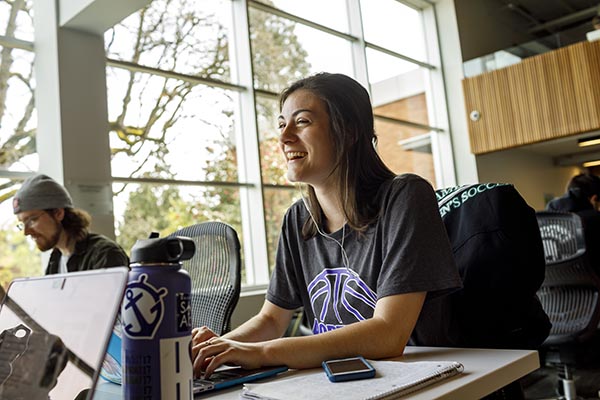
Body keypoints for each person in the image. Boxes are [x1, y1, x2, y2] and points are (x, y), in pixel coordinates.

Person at [191, 72, 461, 377]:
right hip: (333, 382)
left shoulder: (405, 197)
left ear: (348, 131)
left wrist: (261, 353)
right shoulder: (297, 219)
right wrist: (214, 350)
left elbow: (389, 334)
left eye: (302, 121)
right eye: (281, 124)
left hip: (412, 381)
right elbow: (271, 320)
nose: (283, 137)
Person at [13, 174, 129, 274]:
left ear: (58, 213)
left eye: (32, 220)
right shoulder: (56, 259)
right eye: (22, 223)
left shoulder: (104, 254)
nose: (26, 232)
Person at [546, 172, 600, 274]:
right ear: (594, 199)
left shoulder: (547, 222)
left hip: (550, 288)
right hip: (592, 286)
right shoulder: (595, 219)